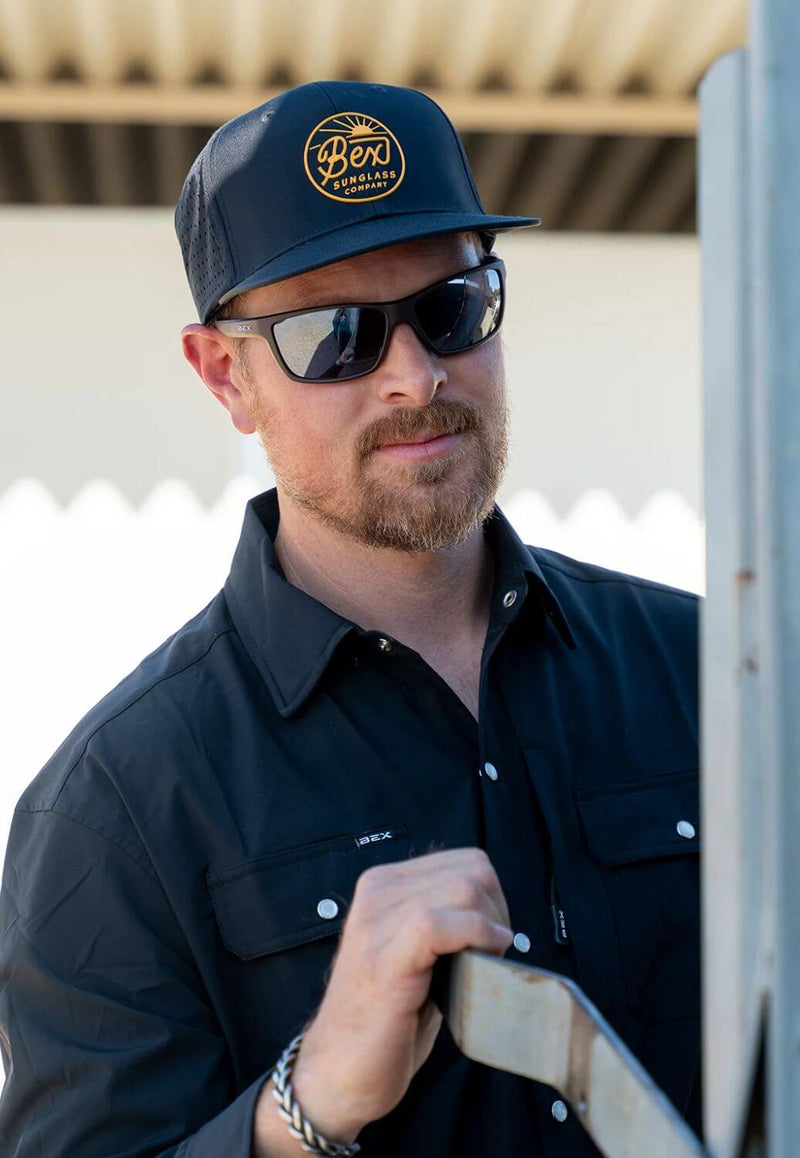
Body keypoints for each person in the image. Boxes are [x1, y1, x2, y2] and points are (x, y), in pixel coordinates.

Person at [0, 81, 701, 1157]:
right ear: (224, 376)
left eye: (451, 307)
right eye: (336, 335)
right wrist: (307, 1100)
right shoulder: (116, 810)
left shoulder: (713, 680)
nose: (415, 376)